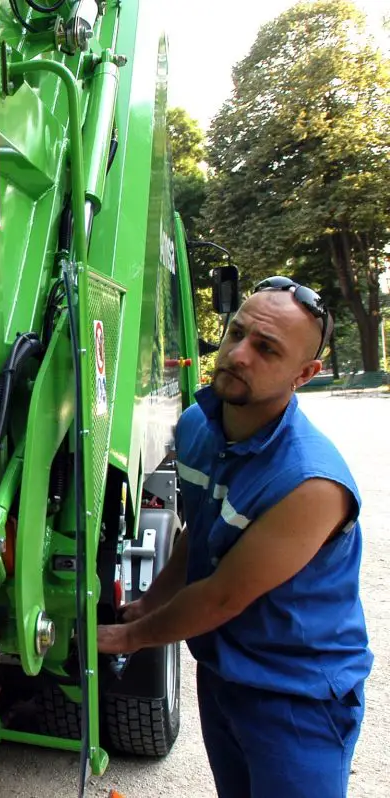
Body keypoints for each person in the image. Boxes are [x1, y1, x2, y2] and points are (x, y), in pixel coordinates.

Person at [97, 276, 372, 798]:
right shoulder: (201, 425)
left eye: (266, 348)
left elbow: (223, 594)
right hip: (225, 672)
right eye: (236, 333)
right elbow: (197, 531)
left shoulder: (310, 483)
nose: (237, 355)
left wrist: (129, 637)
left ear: (305, 374)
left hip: (297, 695)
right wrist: (149, 602)